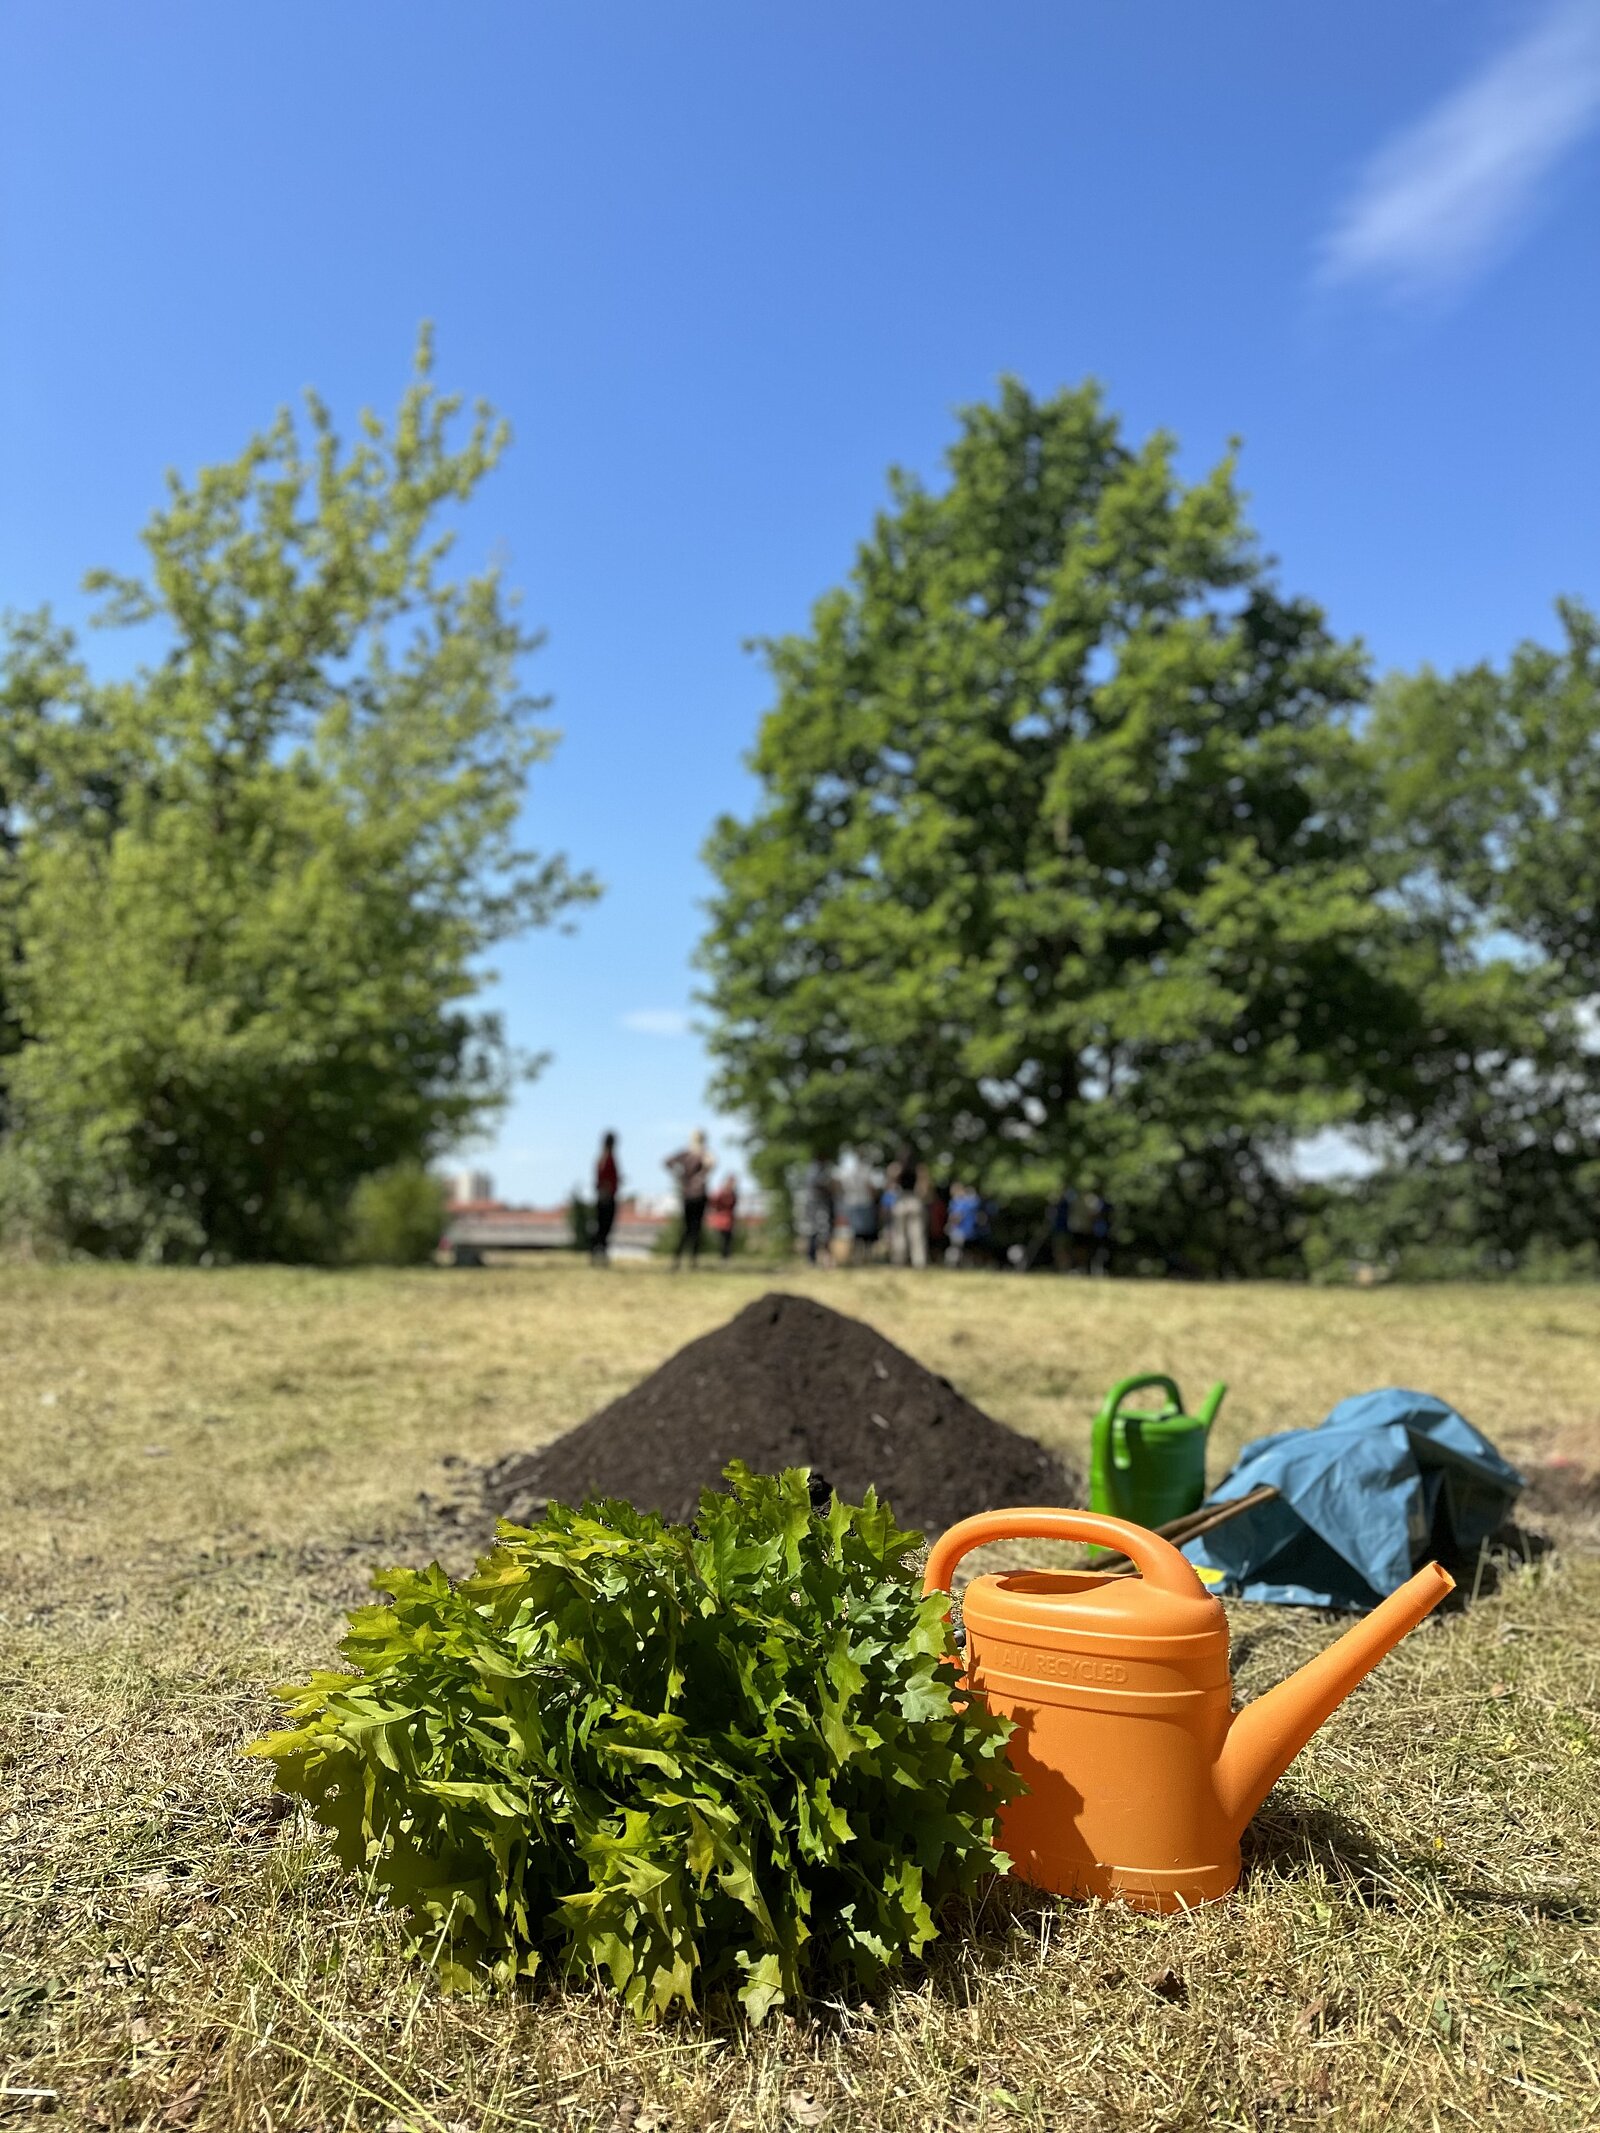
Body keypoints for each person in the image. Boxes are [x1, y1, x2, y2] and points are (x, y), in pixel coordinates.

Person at [665, 1129, 713, 1268]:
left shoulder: (686, 1154)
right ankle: (690, 1260)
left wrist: (680, 1176)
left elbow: (668, 1162)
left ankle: (681, 1259)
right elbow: (712, 1164)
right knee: (694, 1228)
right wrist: (700, 1175)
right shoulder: (702, 1154)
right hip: (697, 1194)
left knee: (688, 1228)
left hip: (688, 1194)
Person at [887, 1144, 927, 1269]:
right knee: (916, 1234)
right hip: (914, 1201)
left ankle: (899, 1260)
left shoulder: (895, 1168)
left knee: (900, 1234)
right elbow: (923, 1189)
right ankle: (919, 1261)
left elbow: (890, 1186)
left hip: (901, 1200)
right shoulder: (919, 1168)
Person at [592, 1131, 621, 1263]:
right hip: (606, 1197)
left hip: (604, 1196)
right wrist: (608, 1189)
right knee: (604, 1228)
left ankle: (599, 1254)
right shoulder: (607, 1158)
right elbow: (603, 1178)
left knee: (602, 1229)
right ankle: (599, 1255)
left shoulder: (603, 1157)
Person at [804, 1159, 837, 1267]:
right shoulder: (815, 1171)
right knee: (819, 1233)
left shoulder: (815, 1170)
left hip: (819, 1206)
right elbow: (819, 1186)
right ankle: (818, 1259)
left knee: (821, 1233)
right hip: (817, 1207)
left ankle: (823, 1259)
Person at [945, 1180, 981, 1268]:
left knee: (955, 1249)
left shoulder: (958, 1202)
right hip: (969, 1231)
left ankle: (953, 1265)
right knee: (965, 1251)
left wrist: (949, 1225)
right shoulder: (970, 1202)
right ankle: (964, 1265)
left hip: (958, 1230)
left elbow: (956, 1216)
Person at [708, 1173, 739, 1261]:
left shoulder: (733, 1193)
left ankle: (727, 1256)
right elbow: (713, 1203)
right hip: (721, 1219)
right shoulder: (720, 1193)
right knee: (723, 1239)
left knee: (728, 1239)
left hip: (729, 1219)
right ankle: (724, 1256)